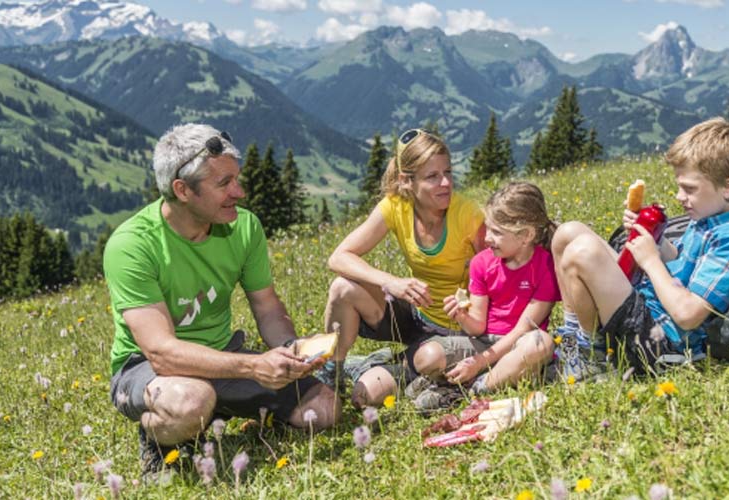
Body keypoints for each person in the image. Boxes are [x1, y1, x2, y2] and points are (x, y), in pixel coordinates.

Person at [103, 124, 339, 477]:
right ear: (182, 190)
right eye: (223, 184)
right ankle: (161, 440)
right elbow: (161, 352)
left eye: (236, 179)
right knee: (190, 402)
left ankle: (225, 411)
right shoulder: (132, 246)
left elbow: (267, 307)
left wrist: (291, 350)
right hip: (148, 370)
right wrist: (252, 366)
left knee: (325, 411)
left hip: (223, 356)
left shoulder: (244, 228)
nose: (239, 192)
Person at [552, 118, 729, 373]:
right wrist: (652, 238)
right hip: (649, 306)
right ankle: (571, 340)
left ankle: (591, 358)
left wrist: (650, 261)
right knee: (567, 234)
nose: (679, 197)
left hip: (663, 342)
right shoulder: (711, 215)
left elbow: (688, 315)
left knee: (583, 251)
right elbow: (681, 259)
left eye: (689, 189)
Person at [323, 128, 485, 408]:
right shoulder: (396, 206)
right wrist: (390, 282)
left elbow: (502, 277)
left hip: (458, 329)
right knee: (342, 288)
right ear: (406, 181)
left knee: (365, 398)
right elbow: (339, 257)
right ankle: (331, 375)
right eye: (432, 177)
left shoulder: (468, 215)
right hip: (415, 316)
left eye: (448, 172)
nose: (445, 183)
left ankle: (396, 367)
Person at [410, 182, 559, 408]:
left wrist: (478, 364)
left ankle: (471, 389)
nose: (487, 238)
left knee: (541, 343)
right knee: (426, 356)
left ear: (526, 235)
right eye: (488, 228)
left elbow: (523, 330)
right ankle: (464, 380)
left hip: (519, 346)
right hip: (482, 342)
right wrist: (462, 316)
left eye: (497, 232)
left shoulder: (546, 266)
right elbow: (477, 327)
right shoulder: (482, 263)